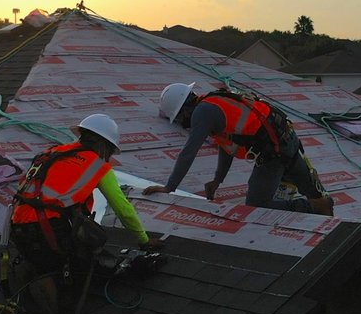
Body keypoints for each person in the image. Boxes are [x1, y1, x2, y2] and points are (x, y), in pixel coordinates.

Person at [9, 114, 163, 314]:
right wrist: (143, 240)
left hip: (16, 224)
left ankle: (37, 270)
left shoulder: (54, 152)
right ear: (104, 145)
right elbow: (123, 208)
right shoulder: (96, 164)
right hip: (45, 229)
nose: (109, 156)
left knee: (58, 244)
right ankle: (53, 297)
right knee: (90, 240)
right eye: (110, 151)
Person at [143, 83, 334, 216]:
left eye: (179, 118)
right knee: (313, 191)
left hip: (274, 152)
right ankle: (323, 210)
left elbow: (188, 152)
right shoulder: (214, 102)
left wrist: (169, 187)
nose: (183, 123)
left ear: (183, 109)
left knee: (256, 205)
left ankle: (312, 207)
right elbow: (227, 146)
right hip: (286, 138)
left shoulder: (202, 112)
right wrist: (218, 180)